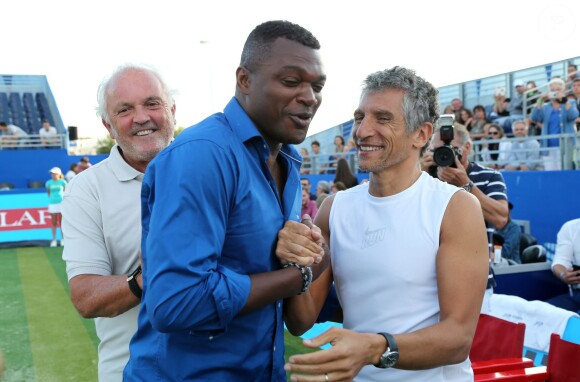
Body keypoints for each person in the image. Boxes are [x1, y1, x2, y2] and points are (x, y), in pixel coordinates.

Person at [124, 20, 328, 381]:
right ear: (245, 80)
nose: (309, 96)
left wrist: (302, 249)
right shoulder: (203, 155)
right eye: (291, 81)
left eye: (317, 86)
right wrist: (296, 276)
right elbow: (175, 302)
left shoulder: (287, 161)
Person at [283, 66, 489, 381]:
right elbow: (301, 320)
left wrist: (373, 348)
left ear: (421, 134)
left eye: (382, 118)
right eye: (358, 117)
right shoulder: (334, 208)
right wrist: (294, 261)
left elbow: (457, 339)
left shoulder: (455, 207)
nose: (362, 131)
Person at [61, 63, 177, 381]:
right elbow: (84, 296)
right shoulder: (86, 189)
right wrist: (146, 278)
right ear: (108, 126)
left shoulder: (213, 170)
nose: (141, 117)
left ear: (173, 110)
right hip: (131, 371)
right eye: (124, 109)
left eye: (152, 103)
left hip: (222, 368)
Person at [530, 77, 579, 170]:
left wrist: (564, 100)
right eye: (552, 90)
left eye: (558, 90)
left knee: (566, 173)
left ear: (564, 90)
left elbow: (573, 115)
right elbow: (534, 117)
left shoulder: (570, 103)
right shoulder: (545, 107)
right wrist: (540, 100)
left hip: (566, 147)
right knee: (551, 174)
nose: (555, 92)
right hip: (548, 147)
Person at [546, 218, 580, 314]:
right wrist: (563, 274)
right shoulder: (570, 227)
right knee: (543, 313)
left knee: (575, 323)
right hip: (576, 294)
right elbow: (560, 261)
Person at [46, 167, 67, 247]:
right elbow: (48, 193)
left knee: (62, 222)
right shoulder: (48, 183)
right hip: (52, 204)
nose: (53, 175)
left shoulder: (63, 182)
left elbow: (65, 192)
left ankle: (63, 239)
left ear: (59, 174)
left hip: (61, 204)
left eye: (54, 173)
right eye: (52, 173)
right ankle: (54, 240)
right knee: (54, 222)